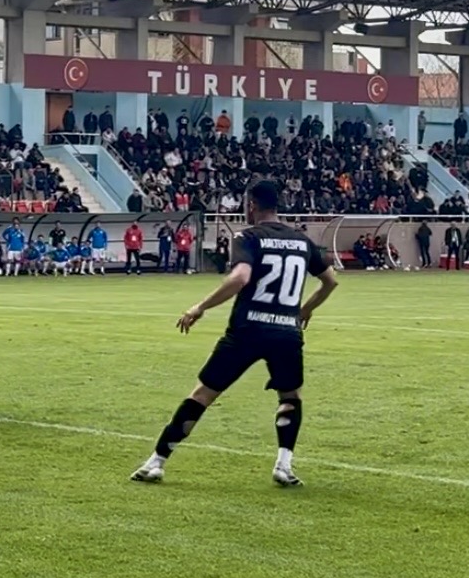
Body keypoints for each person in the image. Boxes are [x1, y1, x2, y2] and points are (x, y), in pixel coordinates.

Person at [132, 180, 339, 487]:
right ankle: (284, 465)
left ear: (251, 205)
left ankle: (157, 462)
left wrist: (200, 307)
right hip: (286, 332)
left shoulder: (248, 236)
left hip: (248, 329)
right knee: (290, 396)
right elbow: (331, 281)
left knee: (203, 394)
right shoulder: (301, 240)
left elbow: (240, 277)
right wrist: (304, 310)